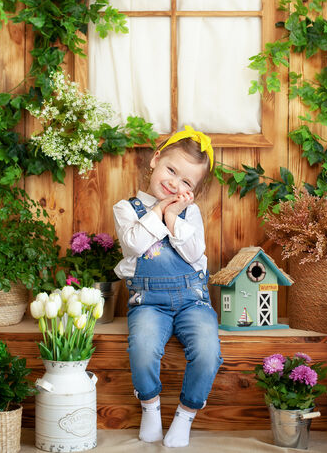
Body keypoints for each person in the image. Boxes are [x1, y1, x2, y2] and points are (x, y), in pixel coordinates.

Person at [113, 125, 223, 448]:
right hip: (147, 302)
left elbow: (195, 254)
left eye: (186, 182)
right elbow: (133, 243)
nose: (175, 183)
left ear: (194, 191)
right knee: (143, 346)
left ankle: (186, 414)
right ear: (155, 160)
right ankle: (150, 405)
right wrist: (159, 209)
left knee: (208, 349)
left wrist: (174, 216)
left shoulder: (191, 213)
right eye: (171, 170)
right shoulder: (127, 209)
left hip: (193, 301)